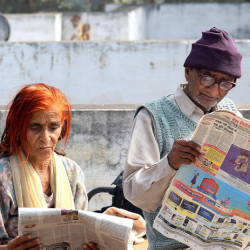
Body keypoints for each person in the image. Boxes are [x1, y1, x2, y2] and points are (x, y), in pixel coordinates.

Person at [123, 27, 242, 250]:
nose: (215, 91)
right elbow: (134, 193)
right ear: (188, 72)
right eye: (208, 78)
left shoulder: (229, 112)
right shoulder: (152, 116)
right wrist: (170, 164)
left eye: (226, 83)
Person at [0, 84, 99, 250]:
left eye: (53, 127)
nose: (46, 138)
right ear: (17, 129)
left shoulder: (72, 172)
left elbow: (82, 232)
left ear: (62, 128)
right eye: (35, 127)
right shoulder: (4, 177)